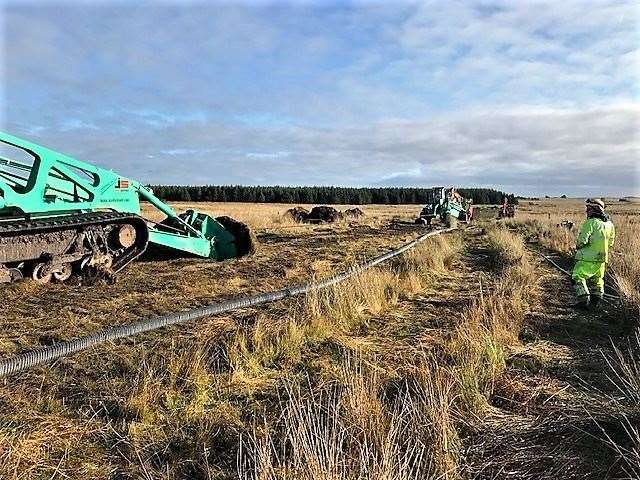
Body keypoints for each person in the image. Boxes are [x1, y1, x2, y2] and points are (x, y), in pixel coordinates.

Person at [571, 198, 615, 310]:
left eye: (588, 208)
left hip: (587, 257)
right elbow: (610, 243)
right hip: (602, 258)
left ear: (594, 209)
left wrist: (578, 246)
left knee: (577, 276)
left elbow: (582, 241)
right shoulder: (610, 224)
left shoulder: (590, 223)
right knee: (598, 279)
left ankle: (584, 301)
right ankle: (596, 303)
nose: (587, 211)